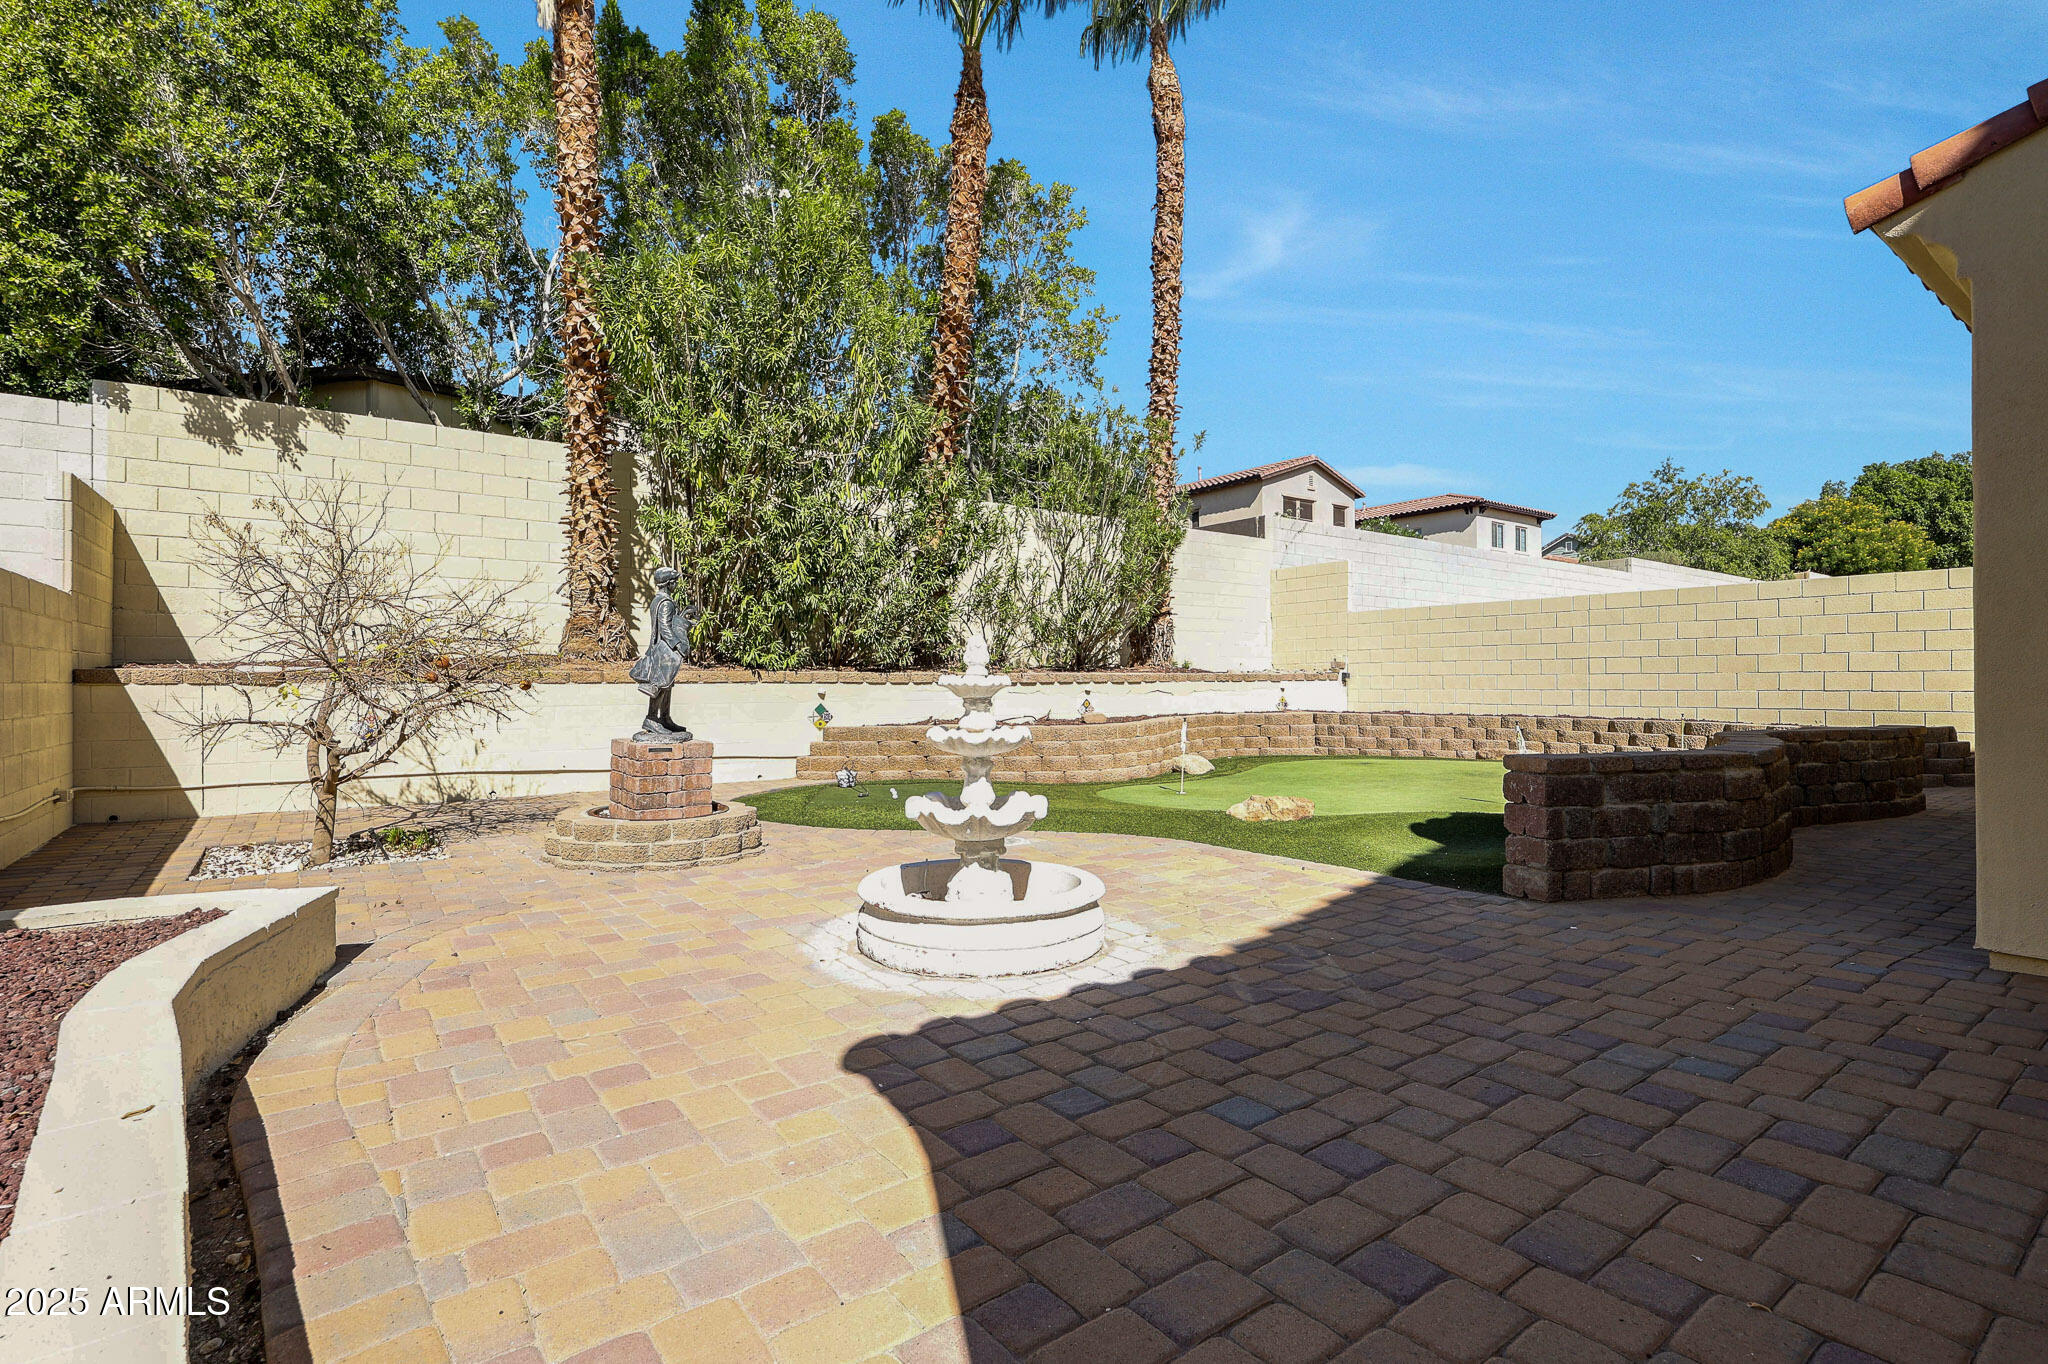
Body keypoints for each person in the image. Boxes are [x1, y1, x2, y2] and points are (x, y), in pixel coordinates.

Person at [628, 567, 700, 739]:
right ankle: (652, 719)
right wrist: (678, 645)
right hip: (664, 650)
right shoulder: (666, 602)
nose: (676, 584)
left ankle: (665, 718)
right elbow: (665, 628)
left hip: (661, 648)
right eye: (674, 582)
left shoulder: (658, 600)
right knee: (659, 686)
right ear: (669, 583)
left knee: (667, 685)